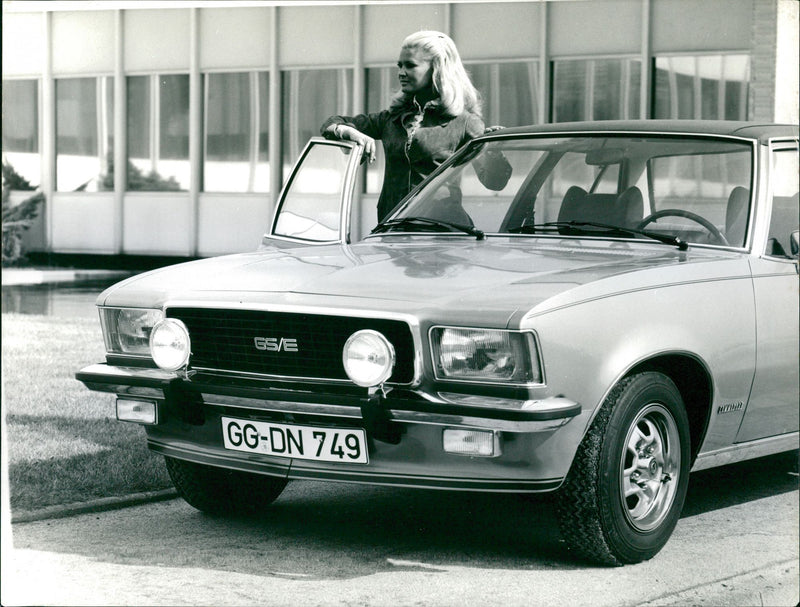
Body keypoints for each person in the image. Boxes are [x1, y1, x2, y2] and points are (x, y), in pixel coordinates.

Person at [321, 30, 506, 223]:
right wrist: (349, 132)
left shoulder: (466, 122)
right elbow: (331, 123)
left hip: (442, 234)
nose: (401, 72)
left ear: (438, 69)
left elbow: (495, 182)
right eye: (400, 65)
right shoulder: (390, 119)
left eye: (410, 65)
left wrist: (493, 150)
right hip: (392, 229)